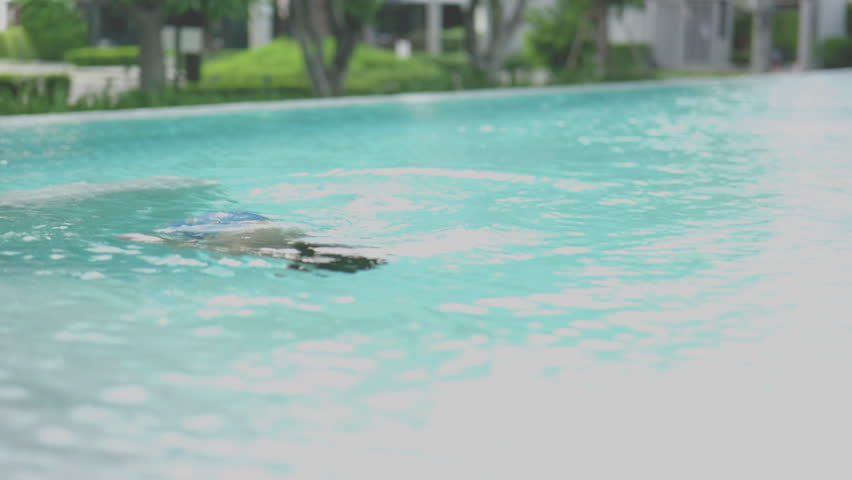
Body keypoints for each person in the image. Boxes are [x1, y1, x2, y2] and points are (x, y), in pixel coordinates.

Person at [118, 211, 385, 273]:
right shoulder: (253, 247)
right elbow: (192, 245)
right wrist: (145, 239)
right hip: (225, 229)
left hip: (254, 222)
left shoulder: (304, 235)